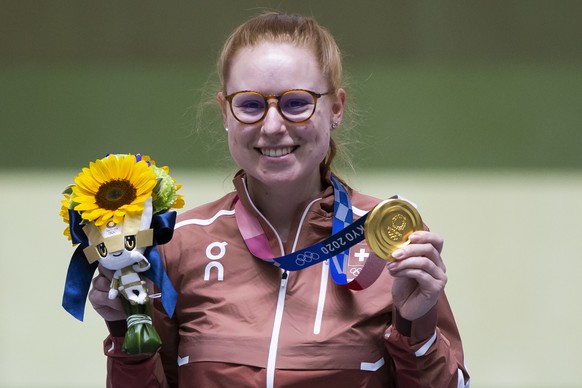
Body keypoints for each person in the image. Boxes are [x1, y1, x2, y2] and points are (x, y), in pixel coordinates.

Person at [89, 11, 470, 388]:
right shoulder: (179, 244)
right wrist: (125, 334)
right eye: (250, 105)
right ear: (225, 112)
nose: (272, 127)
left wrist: (416, 330)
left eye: (297, 103)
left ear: (335, 108)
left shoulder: (388, 241)